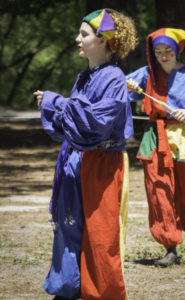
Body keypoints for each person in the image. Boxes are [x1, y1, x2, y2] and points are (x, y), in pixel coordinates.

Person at [34, 8, 137, 300]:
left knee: (100, 234)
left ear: (104, 40)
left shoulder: (115, 77)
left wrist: (58, 102)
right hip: (77, 159)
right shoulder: (83, 77)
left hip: (104, 163)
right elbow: (71, 126)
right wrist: (53, 107)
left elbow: (94, 124)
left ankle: (102, 294)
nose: (77, 39)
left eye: (84, 34)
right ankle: (68, 288)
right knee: (70, 225)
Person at [126, 28, 185, 267]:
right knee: (159, 192)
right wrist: (129, 86)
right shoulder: (146, 74)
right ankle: (170, 248)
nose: (163, 56)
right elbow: (123, 88)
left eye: (168, 51)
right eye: (158, 52)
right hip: (155, 136)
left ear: (177, 51)